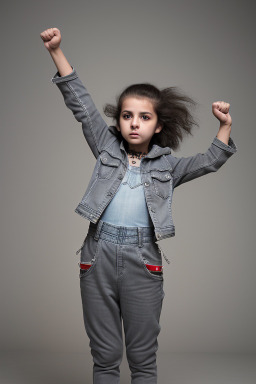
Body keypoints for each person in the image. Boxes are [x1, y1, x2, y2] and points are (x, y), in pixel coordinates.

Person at [40, 27, 237, 384]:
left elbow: (210, 160)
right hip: (96, 255)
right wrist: (56, 51)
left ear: (159, 125)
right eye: (127, 115)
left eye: (144, 117)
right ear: (118, 120)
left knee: (143, 358)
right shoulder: (105, 147)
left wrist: (224, 126)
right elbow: (80, 103)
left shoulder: (168, 167)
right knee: (105, 356)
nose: (134, 123)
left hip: (143, 260)